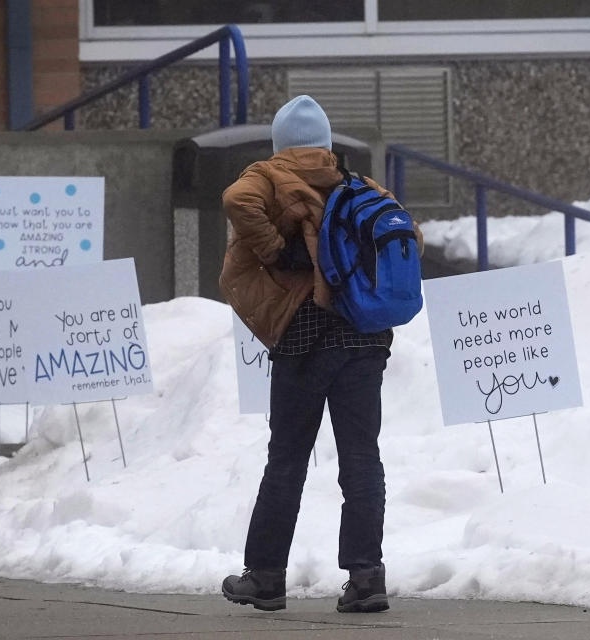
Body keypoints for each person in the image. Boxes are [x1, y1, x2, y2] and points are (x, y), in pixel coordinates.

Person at [219, 95, 423, 613]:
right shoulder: (357, 184)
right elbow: (411, 236)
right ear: (327, 144)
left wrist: (277, 250)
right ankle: (366, 578)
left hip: (306, 336)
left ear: (281, 143)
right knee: (361, 457)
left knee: (287, 457)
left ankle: (265, 577)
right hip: (365, 338)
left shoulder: (268, 174)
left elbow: (235, 200)